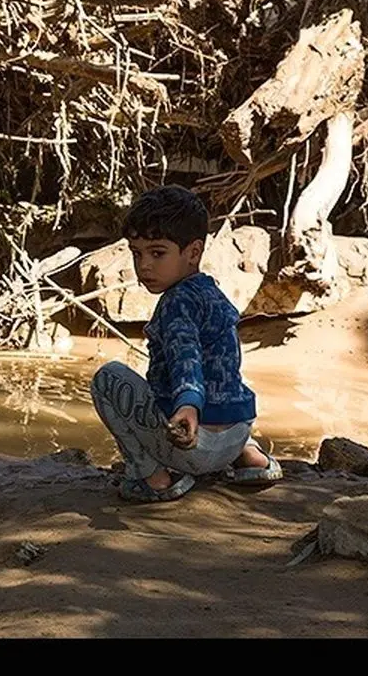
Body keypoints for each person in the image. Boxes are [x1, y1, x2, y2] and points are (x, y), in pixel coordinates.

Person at [89, 185, 282, 503]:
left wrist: (188, 405)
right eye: (137, 253)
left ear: (193, 253)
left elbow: (186, 357)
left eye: (157, 253)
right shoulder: (211, 291)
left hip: (192, 444)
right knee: (223, 371)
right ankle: (250, 457)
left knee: (107, 378)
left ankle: (154, 478)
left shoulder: (176, 302)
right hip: (235, 434)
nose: (144, 265)